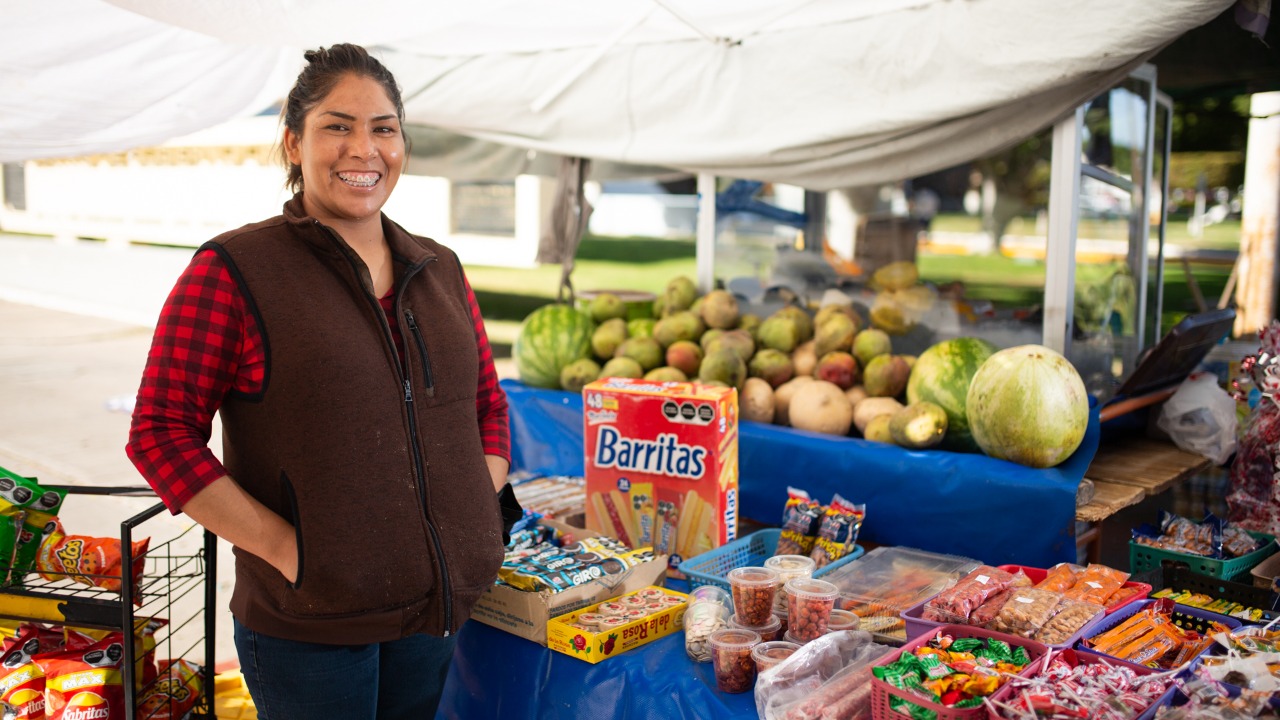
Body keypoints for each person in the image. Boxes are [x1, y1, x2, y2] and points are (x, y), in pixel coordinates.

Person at [126, 44, 521, 720]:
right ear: (293, 142)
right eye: (337, 126)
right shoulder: (234, 270)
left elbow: (484, 402)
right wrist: (287, 549)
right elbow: (159, 433)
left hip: (432, 615)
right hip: (309, 628)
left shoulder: (440, 267)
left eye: (383, 128)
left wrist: (470, 509)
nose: (363, 149)